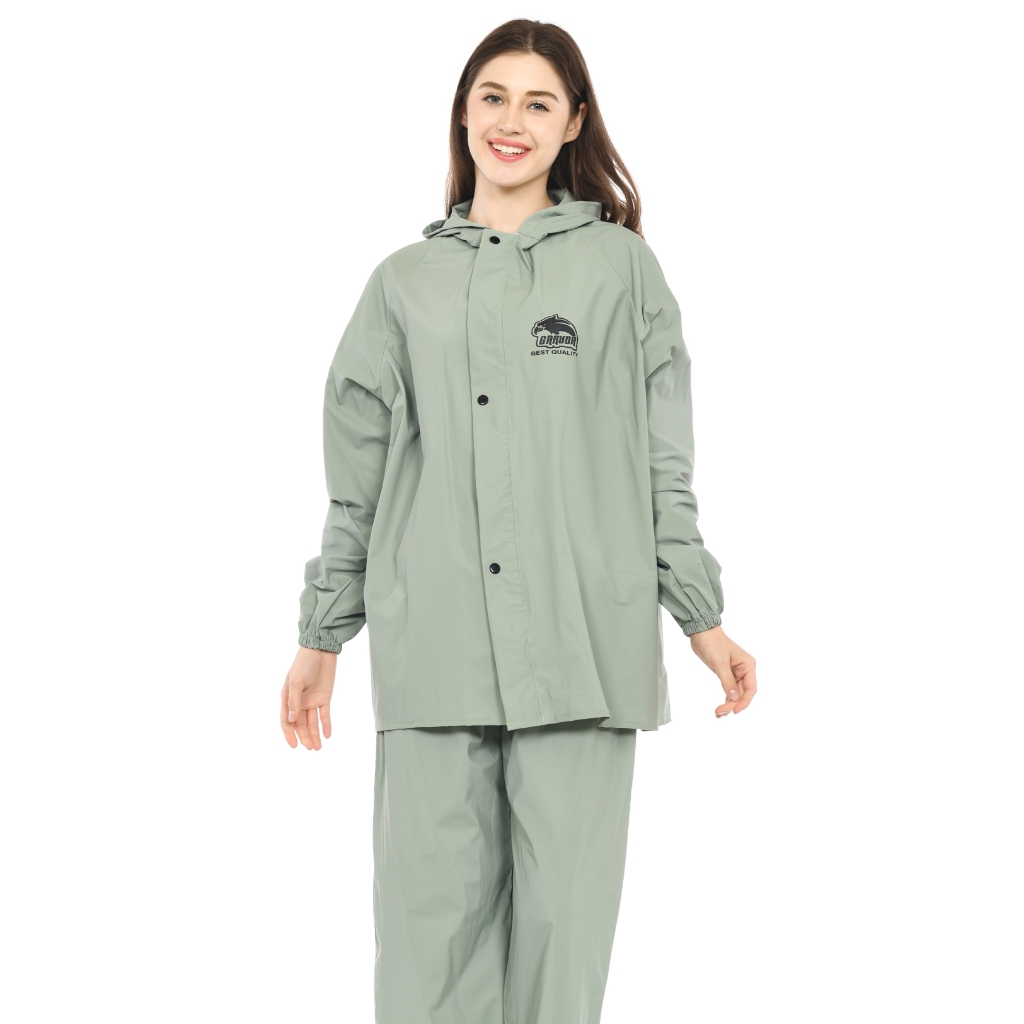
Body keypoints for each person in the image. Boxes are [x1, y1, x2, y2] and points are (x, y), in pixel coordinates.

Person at [279, 18, 757, 1024]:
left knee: (562, 953)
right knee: (426, 958)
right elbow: (355, 474)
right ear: (463, 111)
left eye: (539, 102)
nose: (512, 120)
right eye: (493, 96)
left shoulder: (622, 271)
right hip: (434, 646)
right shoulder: (402, 283)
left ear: (573, 122)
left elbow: (662, 458)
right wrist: (323, 634)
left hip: (584, 648)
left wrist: (700, 616)